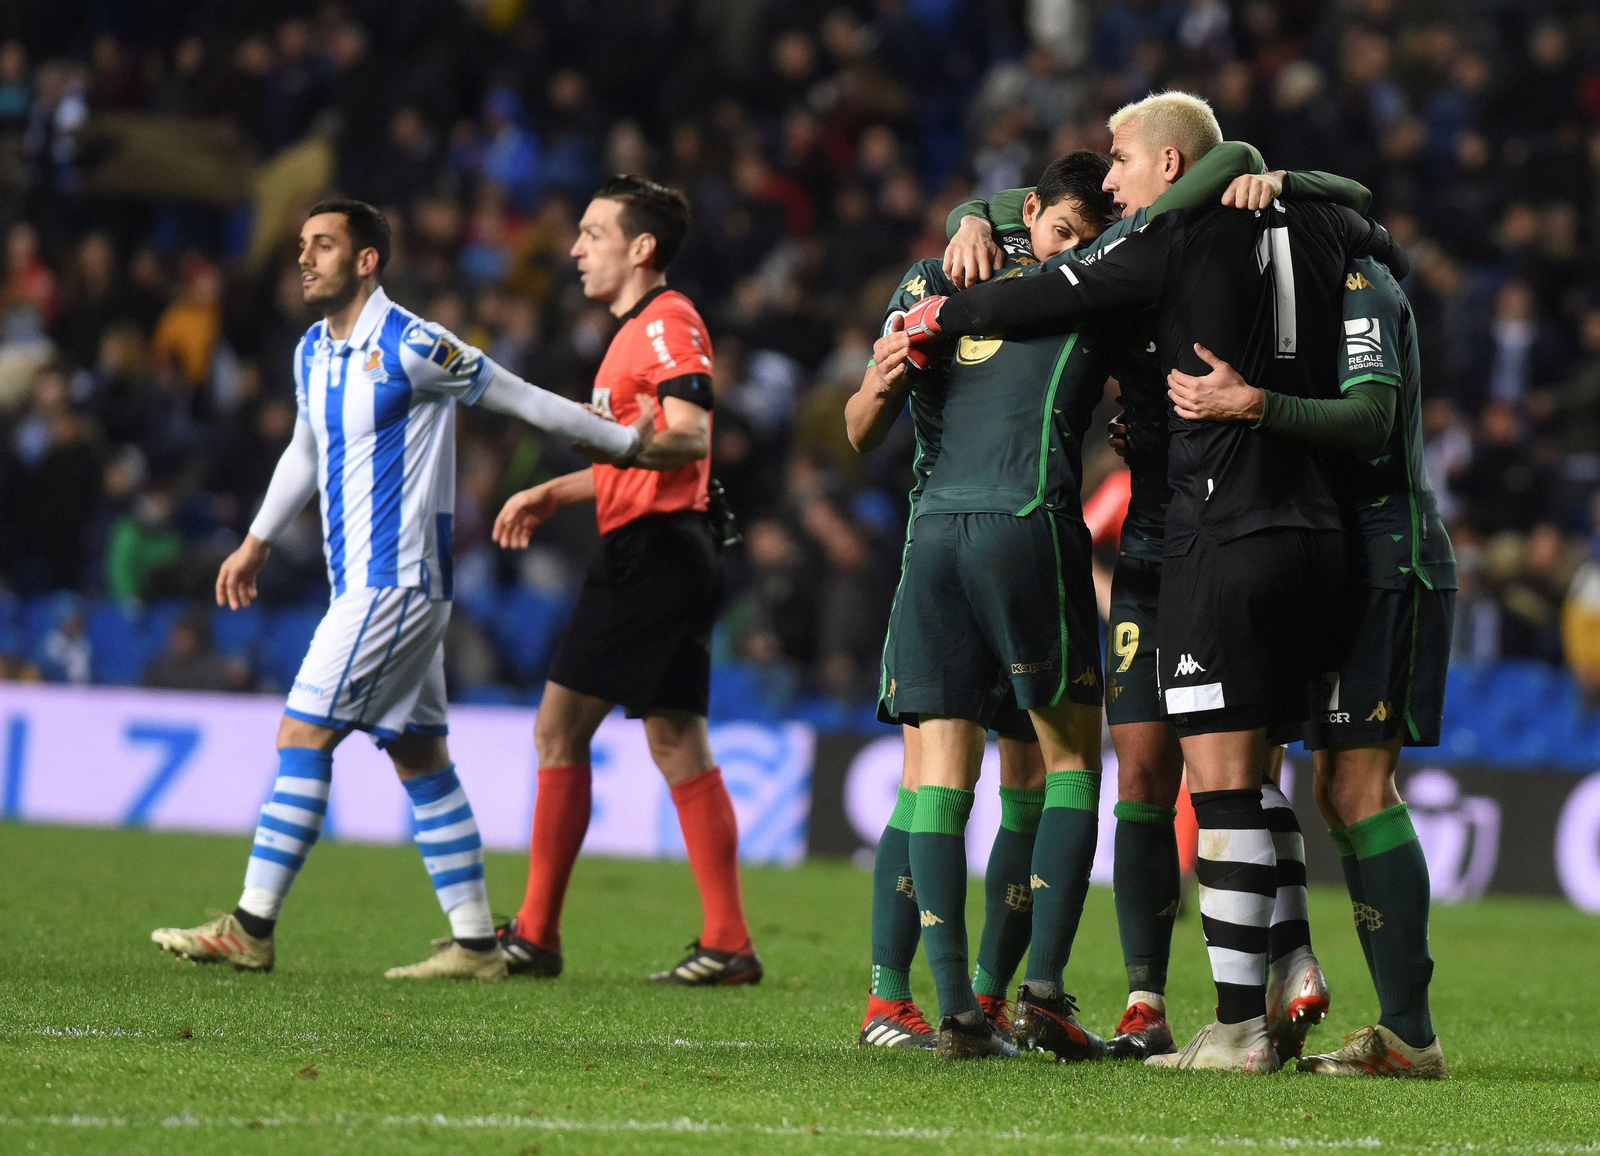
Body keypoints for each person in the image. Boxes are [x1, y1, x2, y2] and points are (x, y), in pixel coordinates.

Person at [897, 92, 1409, 1072]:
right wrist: (1279, 169)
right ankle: (1288, 960)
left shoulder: (1167, 239)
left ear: (1171, 167)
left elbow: (1043, 289)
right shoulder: (1317, 222)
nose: (1112, 175)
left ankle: (1234, 1025)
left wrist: (941, 309)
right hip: (1317, 537)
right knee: (1252, 774)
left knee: (1215, 782)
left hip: (1219, 532)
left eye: (1123, 160)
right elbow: (1371, 221)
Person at [151, 199, 648, 979]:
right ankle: (479, 944)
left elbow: (516, 394)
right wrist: (254, 543)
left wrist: (628, 443)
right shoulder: (313, 349)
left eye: (323, 245)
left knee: (302, 734)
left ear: (366, 260)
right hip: (366, 584)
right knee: (420, 758)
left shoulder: (413, 343)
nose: (305, 258)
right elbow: (304, 451)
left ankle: (250, 927)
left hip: (397, 584)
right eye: (302, 245)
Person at [1165, 252, 1453, 1078]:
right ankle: (1297, 980)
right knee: (1320, 784)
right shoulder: (1289, 301)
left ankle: (1409, 1034)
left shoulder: (1357, 280)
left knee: (1359, 786)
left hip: (1389, 551)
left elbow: (1369, 418)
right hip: (1329, 554)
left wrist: (1252, 403)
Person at [845, 154, 1107, 1051]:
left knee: (950, 777)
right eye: (1064, 232)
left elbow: (855, 429)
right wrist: (889, 371)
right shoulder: (1089, 289)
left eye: (1088, 238)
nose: (1078, 250)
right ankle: (1008, 994)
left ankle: (955, 1003)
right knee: (1054, 761)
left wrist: (972, 214)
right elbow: (859, 422)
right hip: (1016, 529)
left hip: (936, 544)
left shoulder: (941, 273)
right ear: (1029, 213)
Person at [492, 176, 759, 986]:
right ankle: (729, 942)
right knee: (677, 739)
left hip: (652, 555)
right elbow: (646, 453)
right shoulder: (633, 334)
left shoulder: (666, 323)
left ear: (641, 249)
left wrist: (623, 448)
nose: (576, 249)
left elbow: (685, 438)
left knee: (557, 730)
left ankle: (535, 935)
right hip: (674, 545)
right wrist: (554, 488)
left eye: (592, 233)